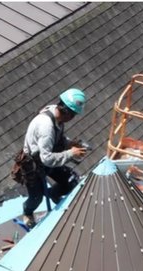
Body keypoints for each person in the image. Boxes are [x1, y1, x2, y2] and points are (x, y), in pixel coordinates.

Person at [18, 88, 89, 228]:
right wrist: (70, 153)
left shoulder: (56, 114)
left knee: (71, 180)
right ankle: (27, 211)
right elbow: (47, 159)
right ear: (67, 112)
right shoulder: (46, 127)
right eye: (74, 114)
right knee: (36, 198)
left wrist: (69, 143)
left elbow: (56, 138)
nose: (73, 118)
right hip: (34, 164)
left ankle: (52, 194)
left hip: (47, 157)